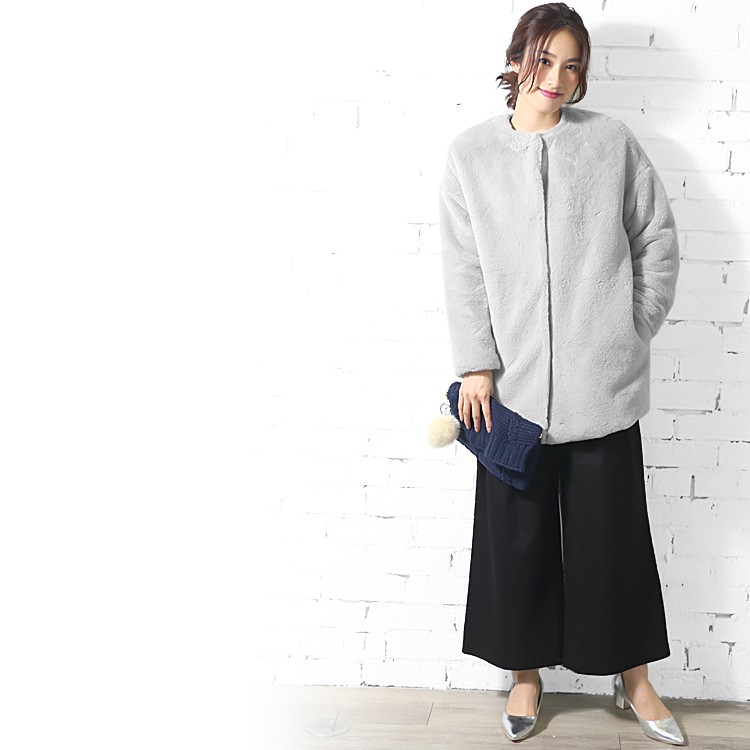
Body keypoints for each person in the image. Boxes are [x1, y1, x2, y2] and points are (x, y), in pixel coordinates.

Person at [437, 3, 685, 745]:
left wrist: (629, 329)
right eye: (544, 60)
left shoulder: (610, 143)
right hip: (511, 393)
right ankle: (525, 676)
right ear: (517, 60)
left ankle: (635, 679)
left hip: (601, 388)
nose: (556, 78)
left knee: (614, 543)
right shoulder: (471, 156)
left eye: (572, 65)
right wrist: (476, 365)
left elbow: (656, 239)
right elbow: (463, 269)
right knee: (515, 543)